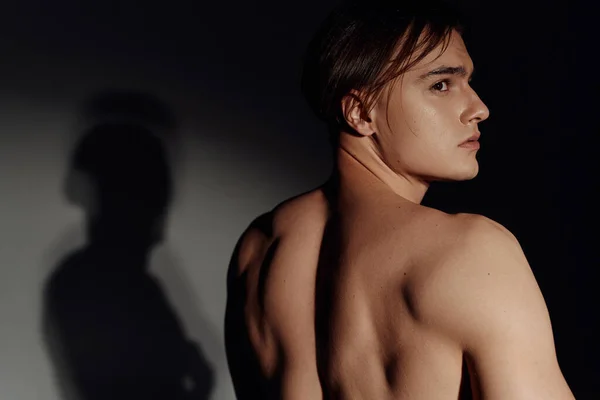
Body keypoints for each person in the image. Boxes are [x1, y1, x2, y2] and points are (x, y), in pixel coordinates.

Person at [225, 0, 575, 398]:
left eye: (469, 82)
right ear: (360, 112)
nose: (479, 108)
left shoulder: (258, 250)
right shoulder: (471, 252)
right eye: (441, 85)